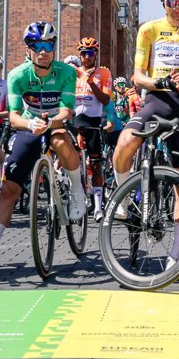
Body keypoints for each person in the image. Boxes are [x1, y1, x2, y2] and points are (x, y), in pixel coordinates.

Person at [112, 0, 179, 266]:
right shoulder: (149, 30)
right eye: (171, 1)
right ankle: (124, 198)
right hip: (156, 101)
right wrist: (161, 82)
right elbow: (137, 76)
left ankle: (175, 255)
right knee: (124, 142)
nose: (176, 7)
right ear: (162, 0)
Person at [0, 21, 84, 274]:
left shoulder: (67, 72)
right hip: (29, 126)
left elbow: (67, 111)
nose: (43, 51)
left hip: (56, 124)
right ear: (28, 49)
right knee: (9, 189)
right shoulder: (17, 75)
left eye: (48, 46)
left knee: (59, 141)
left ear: (54, 48)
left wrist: (50, 123)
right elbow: (13, 116)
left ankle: (77, 189)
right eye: (36, 46)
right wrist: (29, 123)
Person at [73, 37, 112, 221]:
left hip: (93, 122)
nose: (86, 57)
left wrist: (91, 82)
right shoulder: (73, 72)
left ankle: (97, 206)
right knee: (72, 163)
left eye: (90, 53)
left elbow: (105, 100)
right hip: (75, 121)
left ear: (95, 55)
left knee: (96, 165)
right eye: (83, 53)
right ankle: (77, 200)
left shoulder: (103, 72)